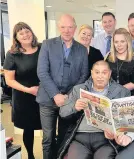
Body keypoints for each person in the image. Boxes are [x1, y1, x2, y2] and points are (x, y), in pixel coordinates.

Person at [36, 14, 88, 159]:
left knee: (65, 137)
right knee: (48, 139)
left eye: (70, 27)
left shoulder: (82, 50)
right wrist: (56, 95)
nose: (67, 30)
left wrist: (69, 97)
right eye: (63, 27)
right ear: (59, 27)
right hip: (47, 100)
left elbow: (83, 76)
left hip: (69, 101)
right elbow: (42, 72)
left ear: (75, 28)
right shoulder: (47, 44)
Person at [57, 60, 131, 159]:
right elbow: (62, 112)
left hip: (106, 139)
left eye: (104, 73)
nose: (100, 76)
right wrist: (75, 107)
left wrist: (115, 130)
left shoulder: (122, 92)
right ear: (92, 73)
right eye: (97, 72)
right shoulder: (78, 89)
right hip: (80, 138)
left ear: (109, 74)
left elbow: (128, 121)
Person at [3, 22, 41, 159]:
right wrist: (29, 90)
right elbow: (9, 80)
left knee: (48, 128)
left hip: (43, 95)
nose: (25, 35)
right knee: (28, 129)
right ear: (16, 37)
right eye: (21, 33)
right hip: (24, 97)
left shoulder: (42, 48)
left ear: (31, 32)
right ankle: (30, 155)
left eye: (27, 31)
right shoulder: (12, 54)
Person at [106, 28, 134, 95]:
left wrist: (117, 91)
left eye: (122, 41)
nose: (119, 45)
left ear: (128, 42)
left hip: (128, 96)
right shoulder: (109, 57)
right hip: (110, 95)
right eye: (116, 42)